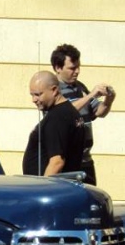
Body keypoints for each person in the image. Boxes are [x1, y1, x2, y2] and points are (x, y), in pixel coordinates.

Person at [50, 43, 116, 185]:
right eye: (72, 68)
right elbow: (64, 112)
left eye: (78, 67)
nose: (77, 71)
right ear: (58, 68)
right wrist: (91, 95)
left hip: (85, 161)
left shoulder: (80, 87)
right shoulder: (53, 90)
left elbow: (99, 112)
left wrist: (109, 99)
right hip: (66, 164)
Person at [22, 71, 85, 177]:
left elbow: (57, 162)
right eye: (32, 95)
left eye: (38, 94)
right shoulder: (70, 112)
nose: (34, 100)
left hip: (50, 188)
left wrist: (44, 189)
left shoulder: (57, 118)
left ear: (54, 90)